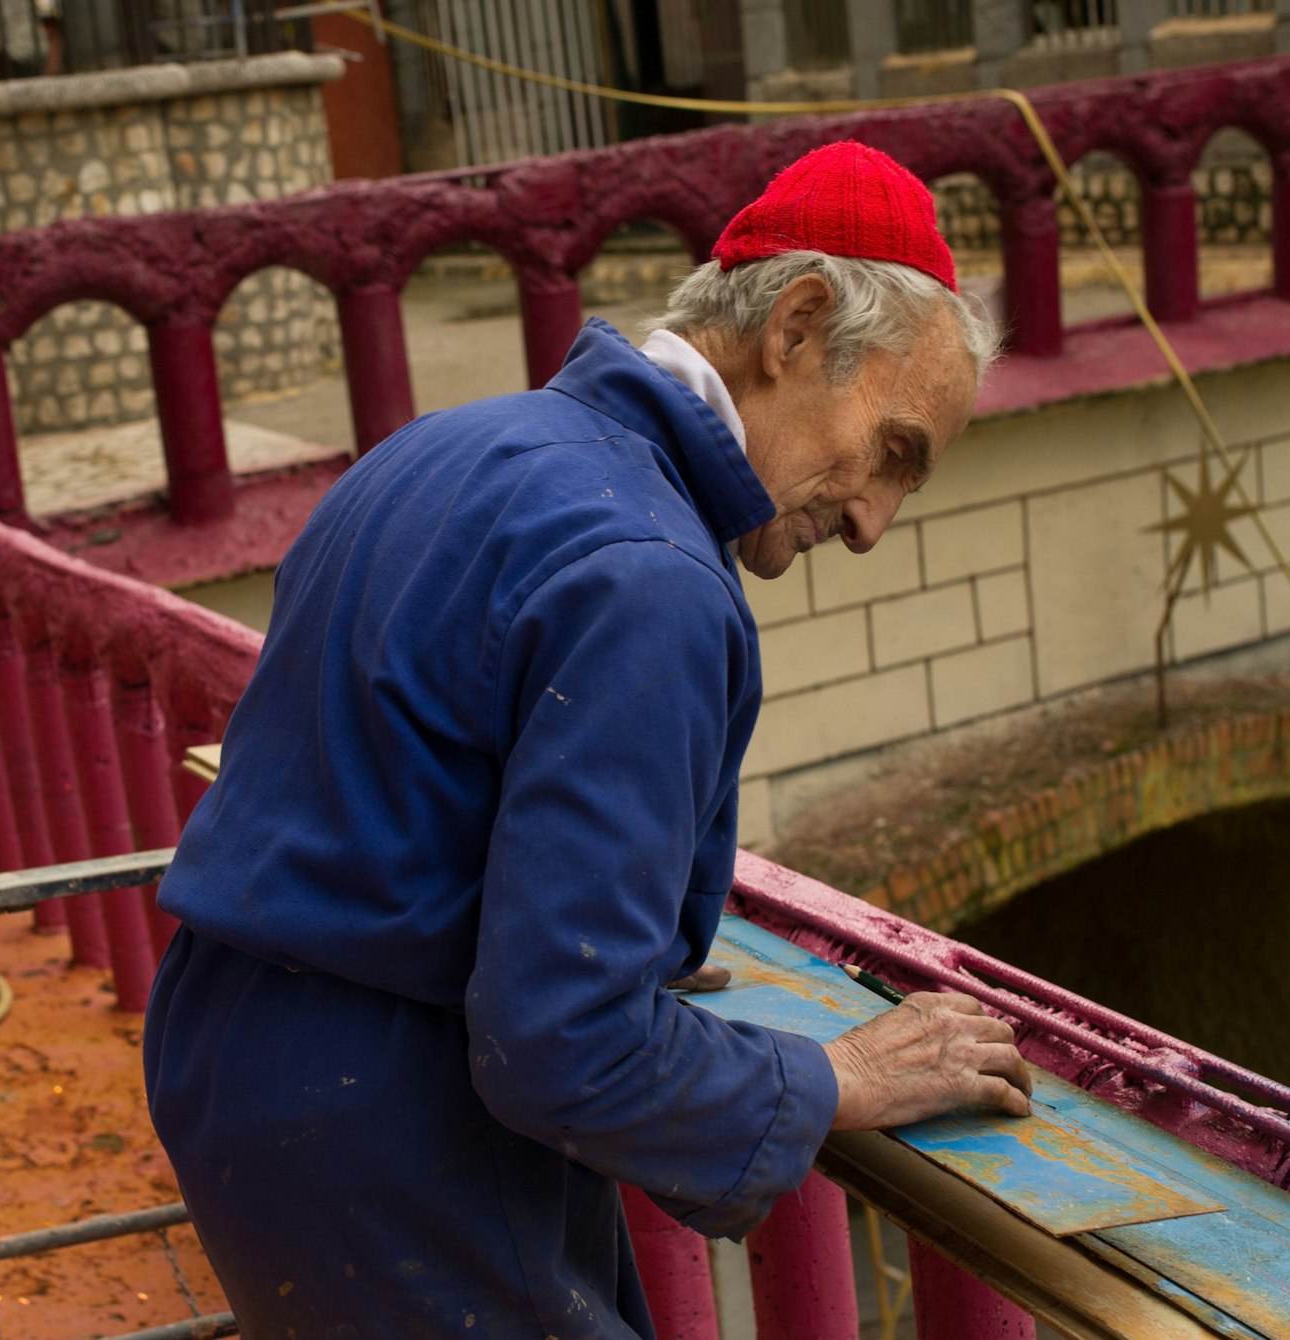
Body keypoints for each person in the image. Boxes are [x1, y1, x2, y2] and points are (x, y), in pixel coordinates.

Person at [143, 141, 1031, 1339]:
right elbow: (563, 1043)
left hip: (239, 1068)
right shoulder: (652, 577)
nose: (872, 521)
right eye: (894, 453)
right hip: (392, 1128)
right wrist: (837, 1077)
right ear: (799, 328)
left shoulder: (441, 448)